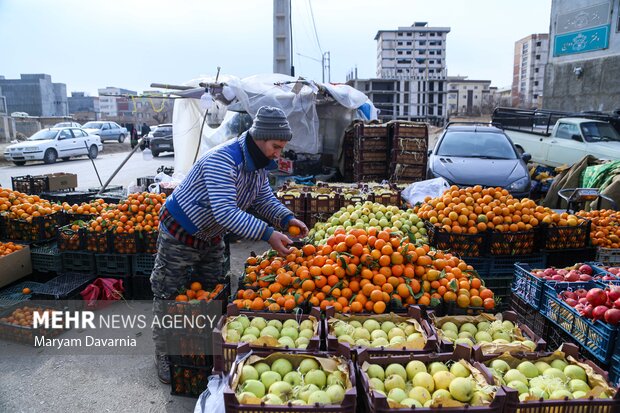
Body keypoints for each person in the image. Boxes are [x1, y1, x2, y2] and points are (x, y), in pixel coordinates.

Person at [150, 106, 308, 383]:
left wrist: (286, 218)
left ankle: (203, 350)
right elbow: (225, 211)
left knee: (211, 294)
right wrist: (268, 234)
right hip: (180, 232)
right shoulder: (222, 160)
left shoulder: (257, 165)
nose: (278, 153)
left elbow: (262, 199)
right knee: (169, 294)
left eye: (281, 147)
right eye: (275, 146)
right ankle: (166, 353)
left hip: (210, 235)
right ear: (260, 138)